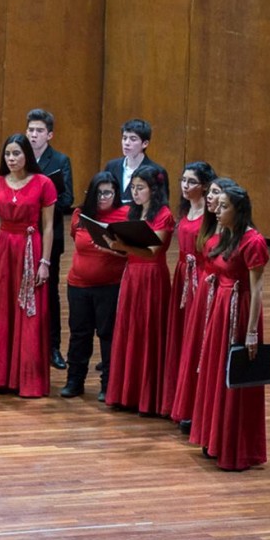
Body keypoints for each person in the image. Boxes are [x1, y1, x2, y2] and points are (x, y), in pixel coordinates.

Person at [188, 185, 268, 471]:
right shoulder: (225, 235)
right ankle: (214, 439)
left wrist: (251, 332)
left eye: (223, 207)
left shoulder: (253, 241)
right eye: (217, 205)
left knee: (233, 376)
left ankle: (235, 446)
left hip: (239, 309)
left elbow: (257, 288)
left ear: (239, 210)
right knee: (214, 373)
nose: (217, 211)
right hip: (220, 307)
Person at [0, 134, 56, 397]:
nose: (11, 159)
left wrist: (45, 262)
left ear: (26, 156)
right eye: (8, 154)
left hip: (30, 250)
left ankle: (26, 380)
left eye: (16, 154)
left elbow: (48, 226)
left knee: (28, 312)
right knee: (0, 310)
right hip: (3, 250)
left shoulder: (43, 183)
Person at [104, 165, 174, 415]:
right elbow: (129, 248)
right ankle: (126, 393)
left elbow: (152, 250)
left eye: (140, 188)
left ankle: (148, 398)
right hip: (132, 274)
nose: (135, 192)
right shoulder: (132, 213)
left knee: (148, 331)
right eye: (133, 187)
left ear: (154, 190)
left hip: (152, 276)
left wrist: (121, 245)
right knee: (129, 330)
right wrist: (111, 246)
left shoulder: (164, 214)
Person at [170, 177, 237, 429]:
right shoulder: (210, 224)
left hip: (217, 292)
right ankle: (192, 409)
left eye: (217, 194)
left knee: (208, 353)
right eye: (210, 193)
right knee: (196, 349)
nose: (211, 198)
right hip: (205, 291)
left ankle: (206, 416)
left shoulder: (230, 229)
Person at [59, 172, 129, 399]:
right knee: (79, 334)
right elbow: (75, 238)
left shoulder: (126, 215)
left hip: (110, 285)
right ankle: (74, 381)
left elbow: (133, 252)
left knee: (107, 335)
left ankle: (107, 385)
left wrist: (114, 248)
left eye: (108, 193)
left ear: (116, 193)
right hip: (78, 284)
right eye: (98, 193)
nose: (103, 197)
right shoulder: (81, 214)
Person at [160, 162, 217, 419]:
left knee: (196, 339)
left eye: (191, 181)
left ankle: (195, 406)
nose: (185, 185)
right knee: (181, 336)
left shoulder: (211, 214)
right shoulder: (186, 209)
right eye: (183, 180)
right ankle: (178, 400)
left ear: (204, 186)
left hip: (201, 278)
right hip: (183, 274)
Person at [25, 109, 74, 370]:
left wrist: (41, 200)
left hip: (48, 235)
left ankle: (52, 346)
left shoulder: (60, 160)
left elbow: (67, 201)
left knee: (50, 291)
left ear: (50, 134)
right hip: (21, 234)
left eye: (39, 131)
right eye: (31, 130)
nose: (34, 135)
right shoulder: (18, 156)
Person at [105, 118, 168, 204]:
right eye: (124, 138)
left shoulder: (156, 171)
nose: (126, 143)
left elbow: (162, 204)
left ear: (145, 143)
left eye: (133, 139)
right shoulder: (111, 166)